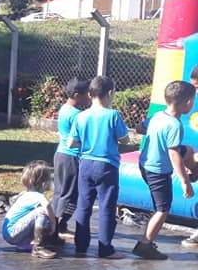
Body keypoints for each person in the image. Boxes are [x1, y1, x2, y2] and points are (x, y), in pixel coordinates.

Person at [67, 75, 130, 259]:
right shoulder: (113, 115)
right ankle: (105, 249)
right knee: (106, 207)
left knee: (84, 205)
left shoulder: (81, 116)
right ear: (110, 93)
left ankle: (80, 246)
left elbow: (71, 143)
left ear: (90, 94)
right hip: (106, 166)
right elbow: (124, 139)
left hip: (85, 165)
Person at [134, 80, 195, 259]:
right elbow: (174, 154)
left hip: (145, 163)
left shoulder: (158, 116)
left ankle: (194, 172)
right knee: (162, 209)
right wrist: (184, 182)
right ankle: (145, 245)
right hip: (158, 171)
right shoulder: (175, 125)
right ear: (188, 103)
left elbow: (140, 128)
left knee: (188, 150)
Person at [51, 77, 91, 237]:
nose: (89, 97)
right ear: (76, 95)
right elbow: (82, 138)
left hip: (60, 154)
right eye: (86, 93)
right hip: (71, 157)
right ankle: (58, 227)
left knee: (60, 191)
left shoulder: (64, 109)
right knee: (71, 193)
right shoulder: (77, 115)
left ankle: (55, 224)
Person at [2, 160, 61, 259]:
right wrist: (53, 224)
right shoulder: (38, 196)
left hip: (10, 232)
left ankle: (25, 244)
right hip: (13, 233)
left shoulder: (24, 194)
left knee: (39, 215)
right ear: (44, 183)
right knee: (41, 212)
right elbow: (47, 206)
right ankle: (39, 248)